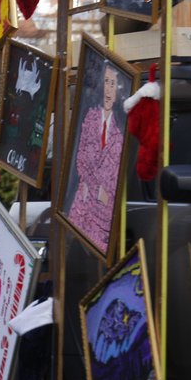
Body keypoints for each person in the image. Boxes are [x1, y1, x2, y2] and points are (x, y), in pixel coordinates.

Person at [68, 61, 125, 253]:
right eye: (106, 82)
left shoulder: (120, 130)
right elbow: (81, 158)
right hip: (83, 205)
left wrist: (102, 190)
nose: (109, 89)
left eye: (113, 84)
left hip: (104, 212)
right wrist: (93, 185)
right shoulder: (90, 118)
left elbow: (115, 173)